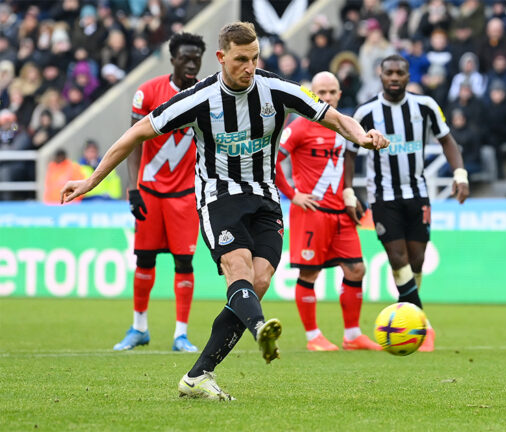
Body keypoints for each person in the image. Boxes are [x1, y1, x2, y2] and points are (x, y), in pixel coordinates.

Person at [60, 21, 388, 400]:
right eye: (240, 60)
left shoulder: (275, 89)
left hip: (265, 198)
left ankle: (198, 376)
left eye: (254, 59)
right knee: (239, 271)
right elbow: (136, 134)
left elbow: (333, 116)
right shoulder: (198, 99)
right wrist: (91, 181)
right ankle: (261, 327)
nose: (249, 67)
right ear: (221, 58)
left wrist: (361, 134)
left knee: (259, 281)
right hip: (219, 198)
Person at [344, 54, 469, 352]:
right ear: (381, 74)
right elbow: (349, 153)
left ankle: (408, 317)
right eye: (390, 73)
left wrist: (460, 174)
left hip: (418, 194)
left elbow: (448, 140)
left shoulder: (424, 106)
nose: (395, 77)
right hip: (383, 197)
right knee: (397, 258)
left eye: (400, 72)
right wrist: (349, 191)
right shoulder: (366, 112)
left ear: (408, 75)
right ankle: (421, 324)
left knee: (416, 261)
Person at [110, 33, 206, 353]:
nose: (192, 64)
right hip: (150, 190)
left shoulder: (206, 94)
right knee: (145, 260)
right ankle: (139, 328)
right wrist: (133, 187)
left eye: (197, 58)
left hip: (186, 194)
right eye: (186, 58)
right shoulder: (148, 92)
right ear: (173, 58)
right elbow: (133, 140)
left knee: (184, 262)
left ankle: (181, 335)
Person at [274, 71, 381, 352]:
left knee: (357, 268)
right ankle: (313, 337)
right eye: (321, 92)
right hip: (312, 212)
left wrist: (350, 194)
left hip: (342, 213)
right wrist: (293, 195)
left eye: (332, 92)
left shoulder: (345, 126)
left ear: (339, 95)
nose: (327, 97)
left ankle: (353, 334)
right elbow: (272, 162)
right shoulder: (298, 127)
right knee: (309, 274)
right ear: (312, 95)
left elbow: (349, 160)